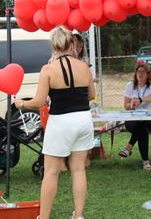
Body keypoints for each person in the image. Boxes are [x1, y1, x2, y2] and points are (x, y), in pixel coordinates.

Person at [15, 26, 95, 219]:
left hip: (61, 121)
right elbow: (91, 95)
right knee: (78, 168)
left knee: (51, 172)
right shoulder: (84, 66)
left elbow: (39, 101)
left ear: (54, 46)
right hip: (83, 120)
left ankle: (44, 217)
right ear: (71, 44)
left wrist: (21, 103)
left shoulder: (48, 69)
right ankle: (79, 215)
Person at [119, 64, 151, 171]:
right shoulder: (130, 85)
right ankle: (145, 162)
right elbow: (126, 106)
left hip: (150, 119)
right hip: (133, 119)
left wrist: (141, 100)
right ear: (135, 74)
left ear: (148, 74)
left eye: (143, 72)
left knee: (143, 125)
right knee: (143, 130)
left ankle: (129, 147)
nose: (140, 74)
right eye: (138, 72)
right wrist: (132, 105)